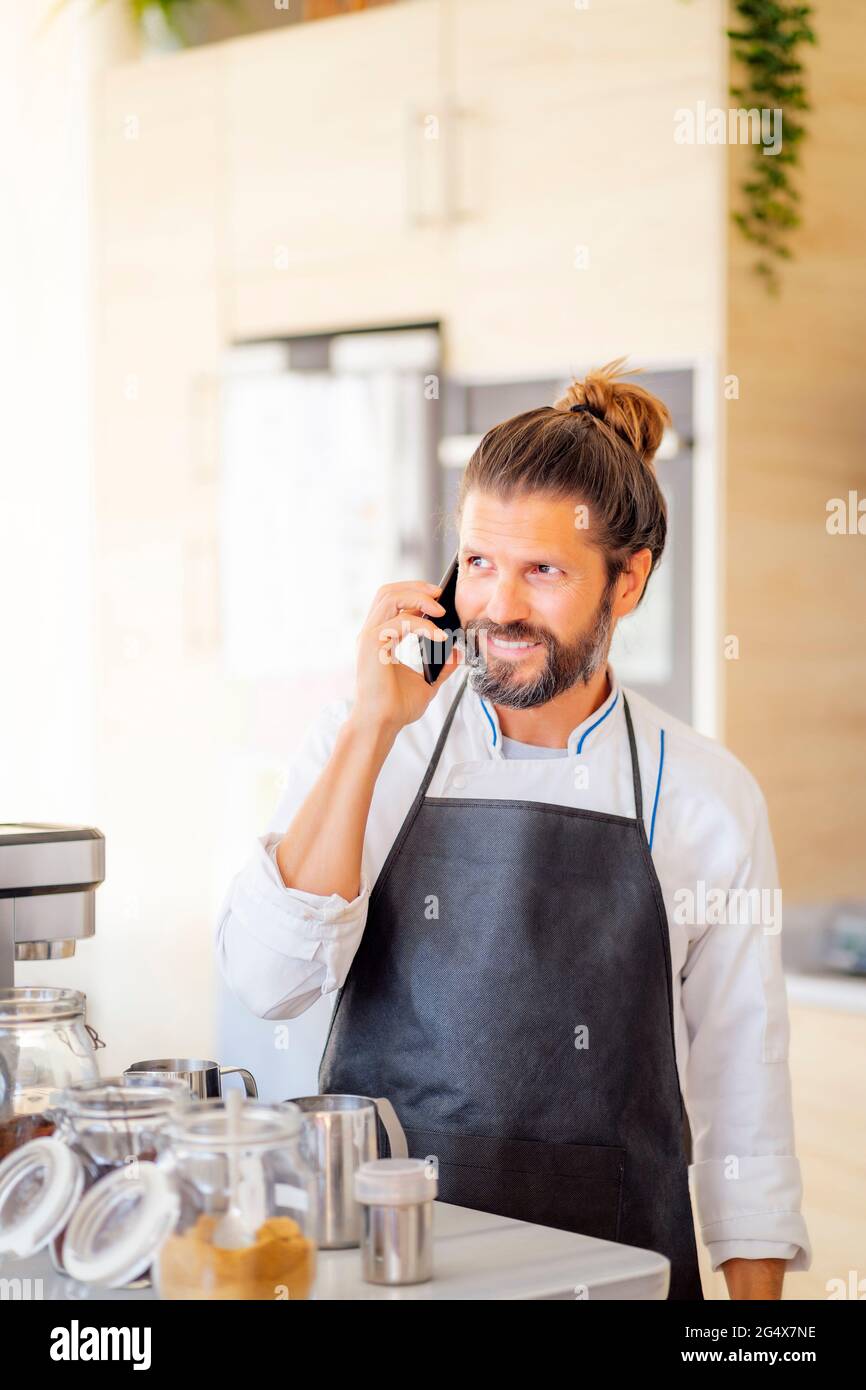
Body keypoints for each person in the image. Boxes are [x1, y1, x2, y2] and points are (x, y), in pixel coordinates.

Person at [217, 359, 811, 1301]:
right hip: (389, 1271)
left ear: (627, 582)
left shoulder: (706, 795)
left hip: (621, 1274)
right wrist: (371, 726)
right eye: (482, 563)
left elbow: (748, 1109)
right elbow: (267, 979)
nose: (498, 608)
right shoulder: (377, 741)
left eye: (543, 571)